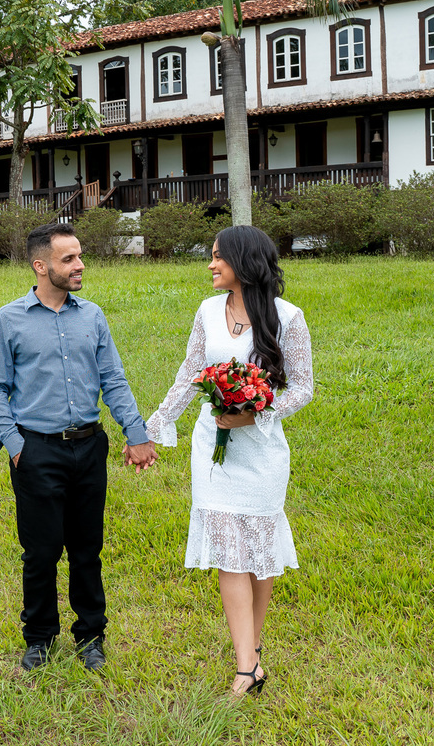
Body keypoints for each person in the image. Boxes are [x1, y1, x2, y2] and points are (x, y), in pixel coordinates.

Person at [0, 221, 158, 673]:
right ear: (41, 266)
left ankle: (90, 636)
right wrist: (16, 445)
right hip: (36, 451)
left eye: (79, 256)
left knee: (86, 550)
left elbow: (113, 379)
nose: (79, 265)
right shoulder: (9, 319)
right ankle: (39, 637)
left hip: (88, 449)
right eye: (68, 259)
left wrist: (135, 433)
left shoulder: (92, 316)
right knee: (40, 552)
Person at [145, 225, 313, 696]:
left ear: (245, 262)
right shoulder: (206, 311)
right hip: (212, 450)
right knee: (229, 551)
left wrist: (254, 414)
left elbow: (301, 387)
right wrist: (153, 426)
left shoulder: (288, 317)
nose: (211, 264)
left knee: (259, 552)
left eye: (218, 257)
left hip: (261, 450)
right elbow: (189, 373)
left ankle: (252, 655)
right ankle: (245, 667)